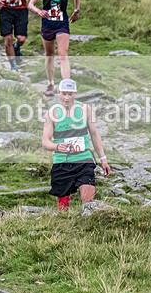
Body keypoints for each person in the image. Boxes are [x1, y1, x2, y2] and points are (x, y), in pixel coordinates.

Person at [42, 78, 111, 212]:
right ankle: (66, 228)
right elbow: (45, 141)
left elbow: (94, 134)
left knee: (88, 201)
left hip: (84, 159)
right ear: (58, 93)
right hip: (62, 161)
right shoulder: (52, 113)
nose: (67, 98)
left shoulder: (85, 109)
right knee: (63, 209)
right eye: (64, 94)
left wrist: (103, 159)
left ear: (75, 94)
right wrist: (57, 147)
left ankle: (88, 226)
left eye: (70, 94)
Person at [28, 0, 81, 96]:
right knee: (49, 55)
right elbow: (31, 4)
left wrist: (76, 10)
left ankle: (66, 86)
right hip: (48, 24)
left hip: (62, 23)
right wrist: (39, 11)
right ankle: (50, 83)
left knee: (63, 54)